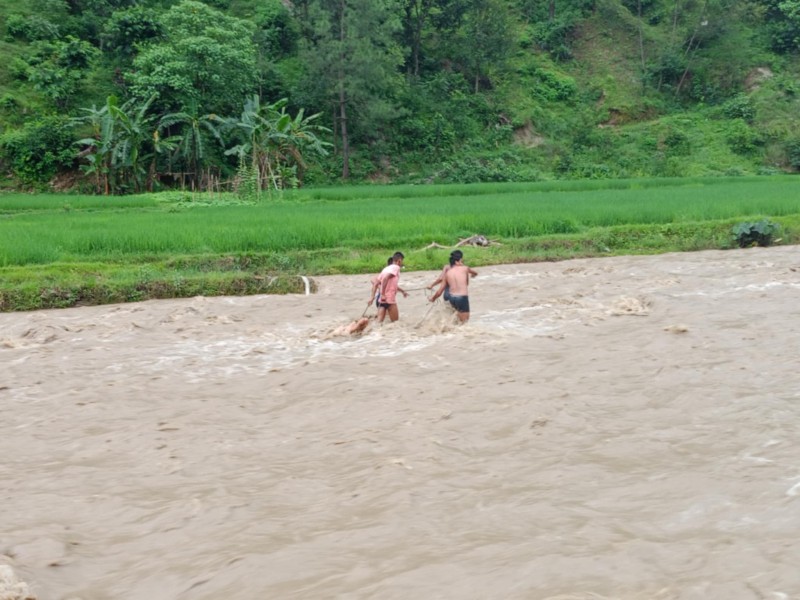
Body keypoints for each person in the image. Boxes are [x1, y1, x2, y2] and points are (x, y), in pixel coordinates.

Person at [430, 251, 474, 323]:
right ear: (460, 259)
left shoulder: (447, 267)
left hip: (448, 295)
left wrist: (432, 285)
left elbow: (441, 278)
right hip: (460, 295)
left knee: (451, 315)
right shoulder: (463, 268)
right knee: (463, 320)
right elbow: (467, 283)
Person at [377, 252, 408, 323]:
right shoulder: (396, 267)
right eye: (402, 261)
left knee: (378, 323)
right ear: (399, 261)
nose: (402, 263)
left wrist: (402, 291)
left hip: (382, 300)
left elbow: (379, 282)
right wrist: (383, 294)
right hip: (389, 299)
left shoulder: (386, 268)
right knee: (396, 323)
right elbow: (385, 279)